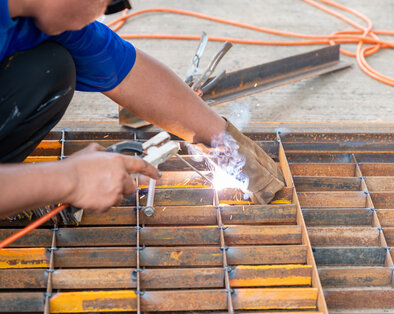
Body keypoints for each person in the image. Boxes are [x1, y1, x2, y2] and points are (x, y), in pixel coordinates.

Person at [0, 0, 284, 218]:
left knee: (48, 69)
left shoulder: (36, 21)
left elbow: (130, 73)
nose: (103, 11)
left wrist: (223, 141)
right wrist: (67, 179)